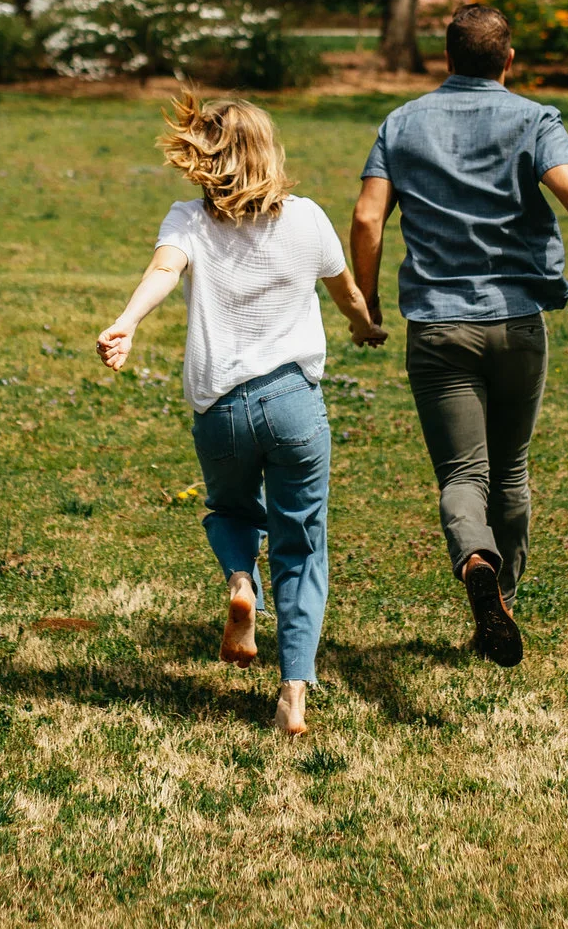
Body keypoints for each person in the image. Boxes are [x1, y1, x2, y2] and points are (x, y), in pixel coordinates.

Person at [350, 4, 568, 667]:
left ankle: (476, 562)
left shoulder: (401, 122)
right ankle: (501, 597)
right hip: (516, 320)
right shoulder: (534, 119)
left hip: (438, 326)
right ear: (509, 60)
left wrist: (369, 303)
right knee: (511, 468)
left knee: (462, 473)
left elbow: (366, 216)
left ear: (446, 58)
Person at [97, 93, 387, 736]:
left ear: (206, 158)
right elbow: (348, 297)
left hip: (222, 410)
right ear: (268, 152)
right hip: (295, 408)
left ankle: (240, 580)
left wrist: (126, 323)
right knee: (302, 544)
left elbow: (164, 273)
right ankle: (294, 694)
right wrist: (367, 327)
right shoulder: (308, 219)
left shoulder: (188, 221)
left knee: (231, 511)